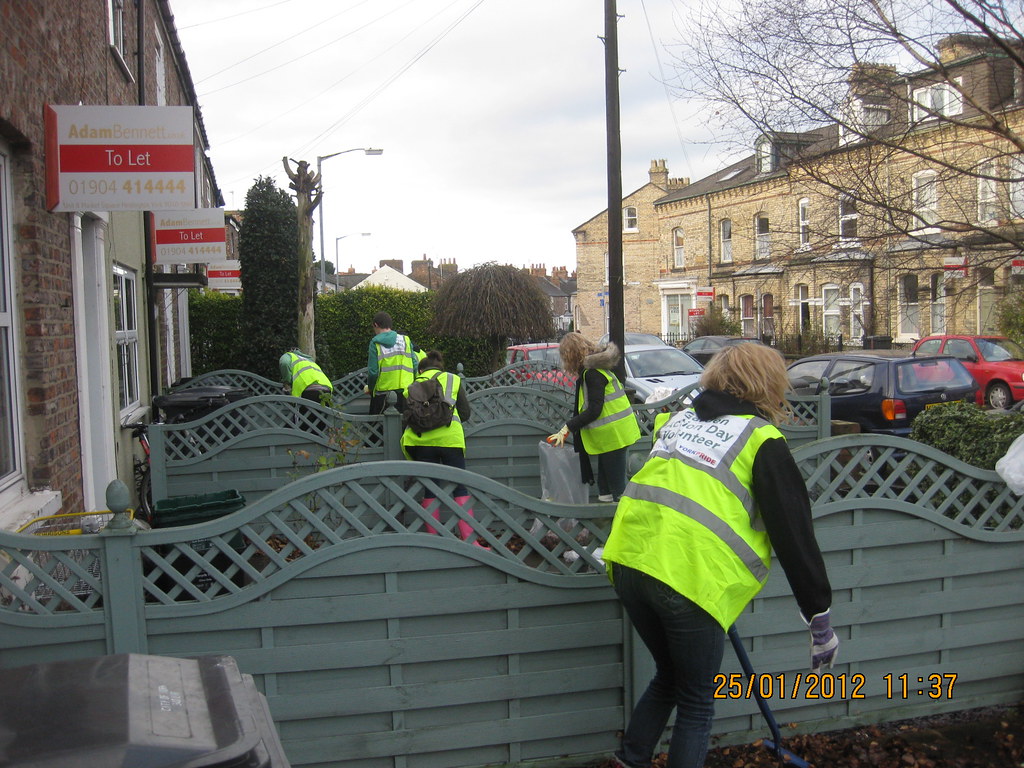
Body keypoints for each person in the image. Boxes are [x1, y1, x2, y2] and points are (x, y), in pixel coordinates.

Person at [601, 343, 838, 768]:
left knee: (671, 677)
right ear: (769, 385)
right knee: (696, 703)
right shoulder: (761, 440)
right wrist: (818, 617)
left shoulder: (676, 422)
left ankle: (629, 759)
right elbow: (794, 535)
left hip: (630, 563)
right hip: (689, 579)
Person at [401, 350, 486, 547]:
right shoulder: (453, 379)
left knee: (430, 490)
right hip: (450, 441)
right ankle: (470, 541)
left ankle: (436, 542)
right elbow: (465, 413)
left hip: (421, 443)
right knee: (460, 487)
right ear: (441, 367)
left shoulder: (411, 386)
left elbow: (406, 416)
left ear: (421, 369)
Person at [547, 332, 641, 502]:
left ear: (571, 356)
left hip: (613, 436)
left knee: (620, 491)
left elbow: (594, 410)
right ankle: (605, 524)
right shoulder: (596, 371)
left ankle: (632, 525)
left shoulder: (592, 374)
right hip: (613, 434)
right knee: (605, 490)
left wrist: (568, 427)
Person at [365, 311, 417, 414]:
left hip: (383, 395)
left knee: (378, 428)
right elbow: (415, 366)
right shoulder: (405, 340)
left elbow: (373, 372)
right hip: (406, 394)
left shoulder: (375, 343)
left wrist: (371, 389)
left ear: (375, 325)